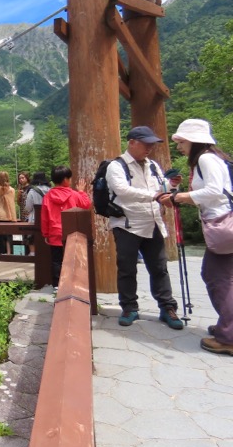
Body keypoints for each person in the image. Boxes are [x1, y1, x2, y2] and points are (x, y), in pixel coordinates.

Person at [106, 125, 183, 329]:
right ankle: (129, 308)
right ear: (132, 142)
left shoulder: (153, 166)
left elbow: (161, 188)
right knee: (127, 269)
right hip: (127, 225)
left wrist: (172, 186)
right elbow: (122, 191)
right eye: (145, 143)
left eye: (152, 144)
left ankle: (167, 308)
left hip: (153, 223)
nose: (149, 147)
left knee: (160, 268)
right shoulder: (116, 166)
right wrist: (156, 195)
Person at [171, 119, 233, 353]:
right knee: (222, 277)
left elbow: (214, 191)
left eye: (182, 141)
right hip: (226, 221)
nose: (179, 146)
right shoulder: (214, 157)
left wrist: (181, 197)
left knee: (218, 279)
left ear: (194, 141)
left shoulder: (206, 159)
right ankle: (227, 327)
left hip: (221, 224)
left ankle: (228, 338)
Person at [40, 166, 92, 287]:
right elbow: (86, 204)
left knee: (56, 261)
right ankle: (74, 285)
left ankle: (57, 286)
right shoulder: (73, 194)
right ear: (65, 180)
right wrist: (81, 192)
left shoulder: (47, 197)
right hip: (72, 232)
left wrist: (45, 234)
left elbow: (44, 218)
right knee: (73, 259)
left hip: (54, 232)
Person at [17, 171, 32, 253]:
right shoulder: (20, 189)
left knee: (30, 235)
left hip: (30, 215)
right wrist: (18, 195)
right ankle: (27, 253)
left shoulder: (31, 188)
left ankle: (31, 253)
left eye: (23, 178)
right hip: (23, 215)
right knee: (24, 235)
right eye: (20, 178)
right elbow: (18, 203)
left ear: (27, 178)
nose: (21, 180)